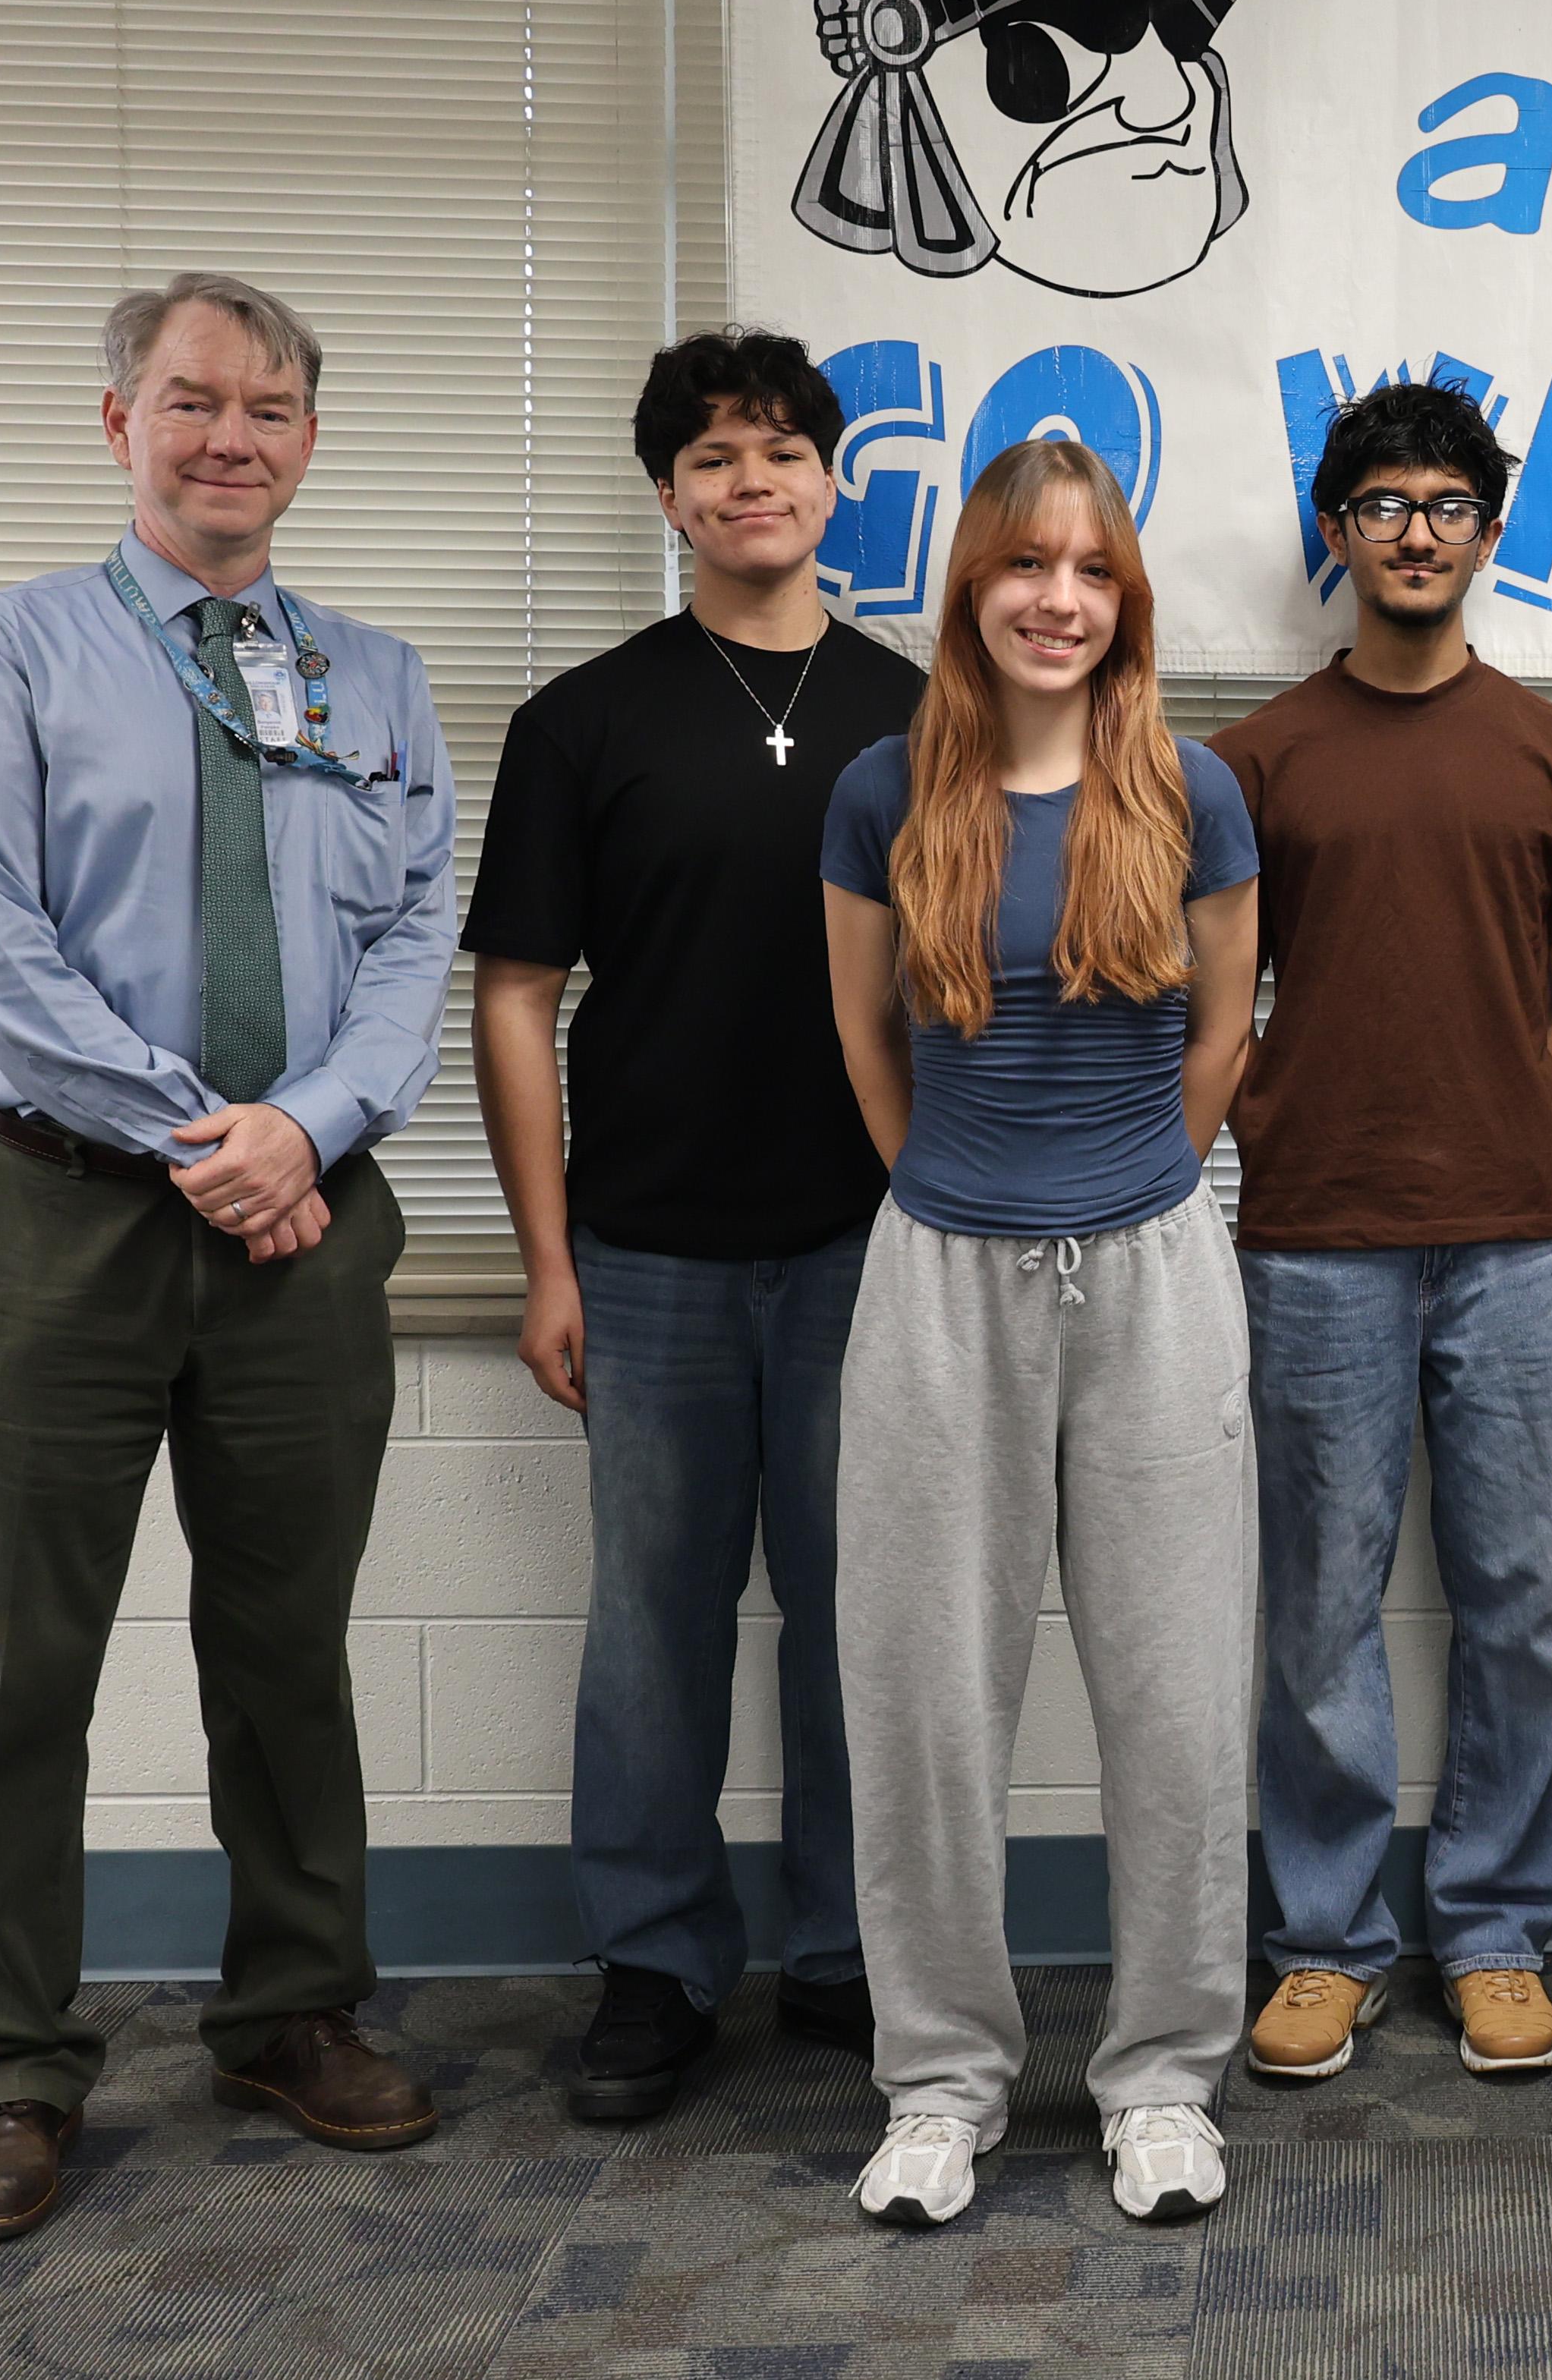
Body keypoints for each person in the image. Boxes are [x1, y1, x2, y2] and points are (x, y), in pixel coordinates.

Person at [0, 275, 459, 2246]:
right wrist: (204, 1137)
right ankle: (10, 2068)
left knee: (287, 1648)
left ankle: (289, 2010)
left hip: (306, 1221)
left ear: (313, 439)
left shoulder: (375, 680)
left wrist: (302, 1131)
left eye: (274, 407)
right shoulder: (9, 652)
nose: (234, 435)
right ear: (114, 419)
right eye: (193, 400)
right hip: (67, 1212)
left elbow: (411, 950)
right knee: (17, 1662)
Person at [466, 331, 926, 2121]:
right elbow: (516, 995)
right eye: (716, 457)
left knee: (855, 1610)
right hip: (647, 1250)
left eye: (785, 450)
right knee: (653, 1615)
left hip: (873, 1244)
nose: (755, 481)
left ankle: (845, 1950)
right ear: (668, 496)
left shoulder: (921, 709)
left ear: (835, 482)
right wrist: (548, 1257)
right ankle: (655, 1960)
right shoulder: (584, 720)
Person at [818, 439, 1261, 2231]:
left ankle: (1160, 2078)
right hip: (937, 1276)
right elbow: (865, 1040)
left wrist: (1122, 1185)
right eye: (1024, 566)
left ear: (1123, 595)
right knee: (923, 1695)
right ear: (974, 588)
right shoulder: (879, 790)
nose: (1056, 599)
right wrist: (962, 1195)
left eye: (1089, 569)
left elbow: (1223, 1037)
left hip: (1153, 1270)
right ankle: (941, 2078)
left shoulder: (1195, 789)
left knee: (1171, 1697)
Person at [1215, 380, 1552, 2087]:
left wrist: (1519, 1111)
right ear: (1339, 529)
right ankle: (1323, 1942)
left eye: (1448, 502)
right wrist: (1265, 1103)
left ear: (1488, 528)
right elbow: (1208, 986)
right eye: (1384, 501)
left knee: (1524, 1595)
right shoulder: (1254, 758)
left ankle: (1492, 1929)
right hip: (1313, 1232)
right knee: (1318, 1605)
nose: (1416, 529)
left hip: (1518, 1238)